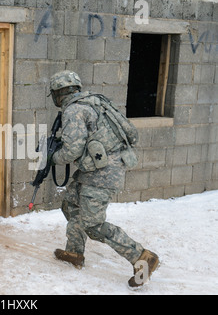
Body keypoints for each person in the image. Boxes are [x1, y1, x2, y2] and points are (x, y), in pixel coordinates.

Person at [48, 70, 159, 288]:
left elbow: (72, 151)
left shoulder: (74, 110)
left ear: (58, 94)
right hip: (99, 168)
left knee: (93, 224)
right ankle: (74, 252)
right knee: (71, 204)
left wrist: (53, 158)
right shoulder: (95, 102)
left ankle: (142, 257)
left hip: (101, 174)